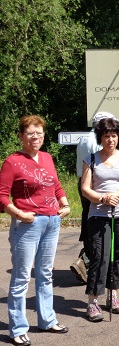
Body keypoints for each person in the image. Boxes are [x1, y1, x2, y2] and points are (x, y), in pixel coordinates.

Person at [0, 115, 70, 346]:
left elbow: (55, 185)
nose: (35, 137)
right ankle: (18, 328)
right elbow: (2, 196)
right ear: (21, 136)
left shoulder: (48, 158)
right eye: (30, 133)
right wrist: (19, 214)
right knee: (21, 278)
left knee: (45, 274)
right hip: (27, 224)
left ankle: (47, 320)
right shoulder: (12, 161)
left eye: (39, 133)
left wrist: (65, 203)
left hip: (52, 222)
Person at [81, 117, 119, 322]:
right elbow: (85, 189)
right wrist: (102, 198)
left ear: (118, 137)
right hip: (98, 215)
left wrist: (117, 195)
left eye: (114, 136)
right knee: (99, 256)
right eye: (106, 136)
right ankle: (92, 301)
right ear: (100, 138)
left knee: (117, 255)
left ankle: (113, 295)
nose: (110, 140)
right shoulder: (91, 159)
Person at [70, 111, 116, 283]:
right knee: (98, 223)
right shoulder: (97, 141)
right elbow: (102, 165)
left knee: (89, 219)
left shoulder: (83, 139)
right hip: (95, 183)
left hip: (82, 181)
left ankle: (85, 260)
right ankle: (86, 261)